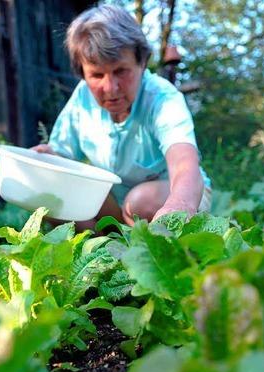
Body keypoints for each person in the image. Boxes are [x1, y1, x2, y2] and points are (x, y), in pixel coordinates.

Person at [32, 4, 211, 228]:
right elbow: (61, 156)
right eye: (97, 75)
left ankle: (150, 251)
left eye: (120, 71)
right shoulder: (82, 99)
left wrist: (178, 206)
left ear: (142, 63)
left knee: (139, 202)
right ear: (83, 74)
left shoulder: (162, 98)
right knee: (51, 194)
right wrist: (43, 159)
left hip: (177, 194)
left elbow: (185, 163)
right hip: (115, 203)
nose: (110, 88)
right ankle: (106, 252)